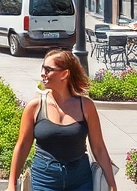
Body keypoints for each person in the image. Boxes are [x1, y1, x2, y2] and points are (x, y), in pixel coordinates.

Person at [7, 49, 116, 191]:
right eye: (43, 68)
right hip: (44, 179)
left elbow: (99, 148)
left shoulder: (86, 106)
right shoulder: (35, 107)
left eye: (48, 70)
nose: (42, 74)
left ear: (65, 74)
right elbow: (22, 147)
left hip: (80, 179)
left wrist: (112, 185)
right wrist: (11, 185)